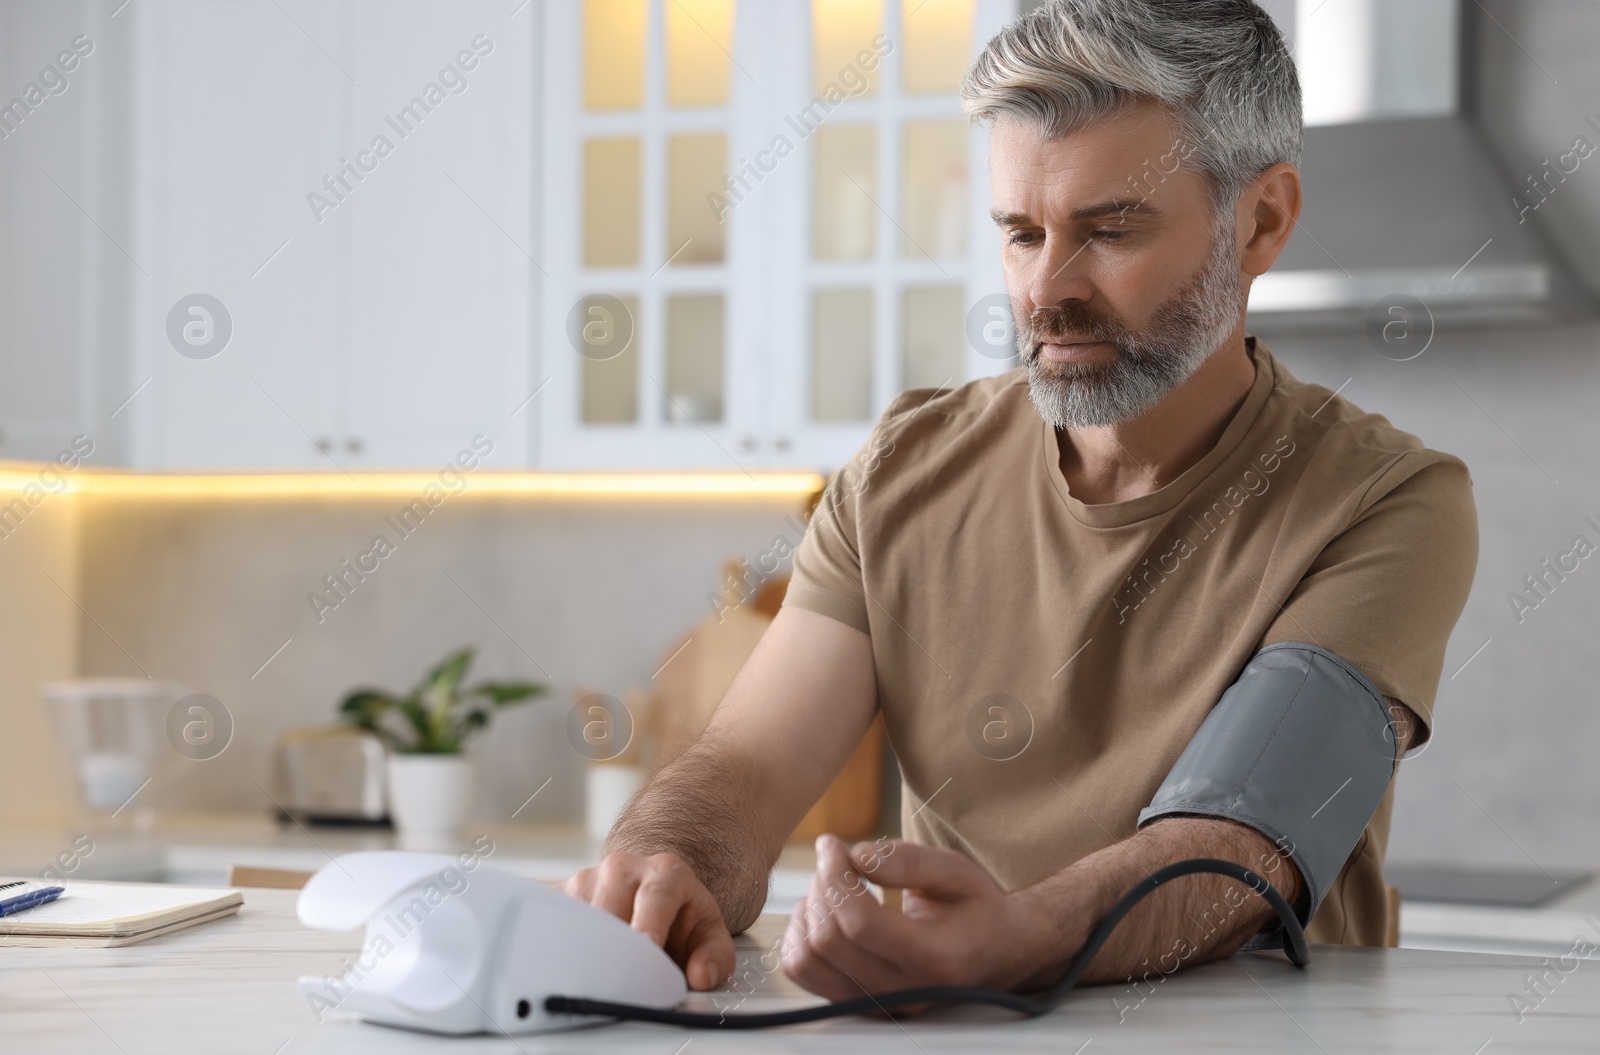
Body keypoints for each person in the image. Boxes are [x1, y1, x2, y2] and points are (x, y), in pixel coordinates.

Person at [564, 0, 1478, 1001]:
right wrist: (667, 863)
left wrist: (1015, 936)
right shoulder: (904, 471)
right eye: (1020, 233)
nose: (1045, 289)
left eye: (1110, 230)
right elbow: (745, 763)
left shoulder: (1384, 501)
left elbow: (1240, 840)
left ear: (1259, 220)